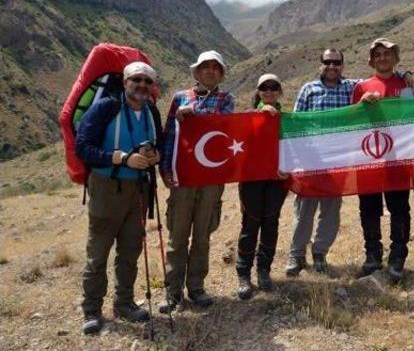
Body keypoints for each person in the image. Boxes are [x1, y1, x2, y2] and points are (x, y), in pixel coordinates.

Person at [286, 48, 414, 277]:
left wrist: (404, 73)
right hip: (313, 161)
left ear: (343, 66)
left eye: (337, 63)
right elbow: (296, 123)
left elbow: (388, 80)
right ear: (321, 64)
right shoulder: (311, 89)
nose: (332, 66)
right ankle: (297, 256)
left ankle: (322, 253)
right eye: (328, 62)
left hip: (349, 162)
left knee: (333, 212)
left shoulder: (351, 87)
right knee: (306, 211)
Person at [75, 62, 162, 334]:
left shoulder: (151, 112)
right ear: (125, 82)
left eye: (148, 82)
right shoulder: (106, 108)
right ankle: (91, 309)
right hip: (107, 187)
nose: (142, 86)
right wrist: (121, 158)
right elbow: (83, 147)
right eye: (136, 80)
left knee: (130, 250)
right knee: (98, 251)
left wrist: (154, 157)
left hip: (138, 190)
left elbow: (156, 143)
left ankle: (123, 303)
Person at [159, 50, 233, 312]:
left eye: (216, 67)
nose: (210, 71)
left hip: (211, 178)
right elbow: (170, 136)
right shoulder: (180, 98)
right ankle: (172, 291)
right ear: (197, 72)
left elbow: (223, 127)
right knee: (177, 236)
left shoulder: (227, 99)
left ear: (221, 73)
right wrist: (165, 168)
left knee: (202, 235)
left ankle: (197, 287)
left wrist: (194, 116)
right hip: (184, 177)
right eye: (205, 67)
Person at [351, 38, 413, 283]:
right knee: (369, 208)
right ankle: (373, 254)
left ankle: (398, 256)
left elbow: (412, 115)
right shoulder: (361, 87)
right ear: (371, 60)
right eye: (378, 55)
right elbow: (351, 121)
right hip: (368, 158)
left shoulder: (405, 84)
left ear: (395, 58)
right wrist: (361, 105)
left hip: (398, 157)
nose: (383, 58)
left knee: (399, 208)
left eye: (387, 54)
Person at [236, 74, 289, 300]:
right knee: (250, 223)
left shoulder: (287, 118)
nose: (269, 91)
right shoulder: (247, 117)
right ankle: (243, 274)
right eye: (264, 88)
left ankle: (264, 270)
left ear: (279, 92)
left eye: (274, 87)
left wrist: (287, 167)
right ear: (258, 91)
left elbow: (292, 148)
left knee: (271, 223)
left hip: (277, 180)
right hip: (251, 180)